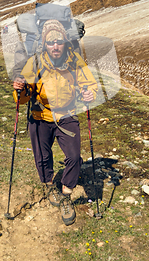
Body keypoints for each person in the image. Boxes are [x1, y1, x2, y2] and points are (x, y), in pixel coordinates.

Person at [13, 19, 98, 225]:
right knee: (42, 156)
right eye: (51, 42)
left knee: (74, 157)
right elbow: (22, 97)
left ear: (65, 42)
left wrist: (90, 94)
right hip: (40, 116)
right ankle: (50, 185)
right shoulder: (34, 62)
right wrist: (20, 90)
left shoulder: (74, 61)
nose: (55, 46)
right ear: (44, 43)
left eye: (59, 41)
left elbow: (89, 84)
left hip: (66, 114)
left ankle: (66, 195)